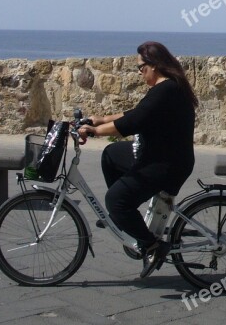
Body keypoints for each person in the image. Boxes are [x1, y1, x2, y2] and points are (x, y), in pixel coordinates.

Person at [77, 41, 198, 278]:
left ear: (155, 65)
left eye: (141, 67)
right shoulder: (164, 89)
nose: (140, 72)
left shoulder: (167, 90)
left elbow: (132, 123)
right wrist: (100, 119)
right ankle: (125, 218)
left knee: (115, 199)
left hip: (166, 164)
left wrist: (95, 132)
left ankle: (151, 245)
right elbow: (137, 113)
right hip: (154, 154)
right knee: (111, 155)